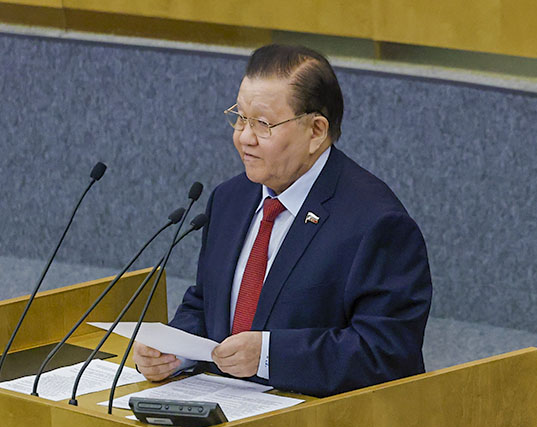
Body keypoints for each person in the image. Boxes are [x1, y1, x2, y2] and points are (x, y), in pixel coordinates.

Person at [133, 44, 432, 397]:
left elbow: (386, 353)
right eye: (240, 118)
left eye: (263, 124)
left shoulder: (377, 223)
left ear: (316, 131)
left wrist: (269, 357)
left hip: (317, 419)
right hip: (220, 407)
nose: (244, 138)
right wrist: (174, 350)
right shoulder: (230, 198)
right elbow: (206, 303)